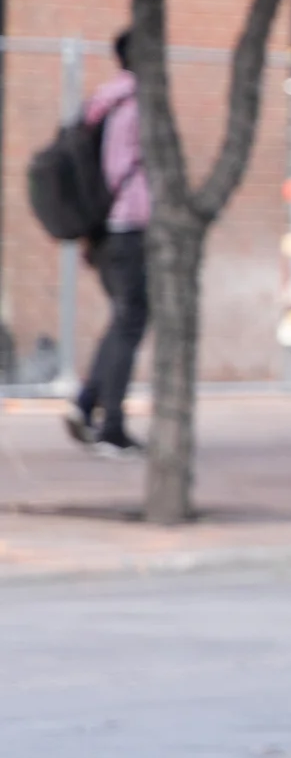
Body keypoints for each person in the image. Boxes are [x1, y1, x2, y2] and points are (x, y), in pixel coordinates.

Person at [65, 30, 149, 457]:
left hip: (106, 228)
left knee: (124, 319)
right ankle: (110, 425)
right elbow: (123, 169)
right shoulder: (136, 104)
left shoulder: (105, 99)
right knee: (131, 319)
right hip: (127, 226)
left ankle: (87, 404)